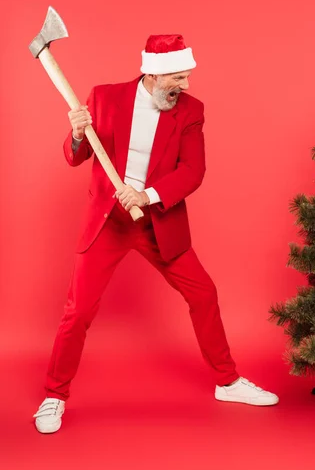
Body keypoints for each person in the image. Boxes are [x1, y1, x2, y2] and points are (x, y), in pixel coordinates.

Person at [33, 34, 279, 433]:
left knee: (204, 293)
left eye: (186, 77)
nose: (184, 86)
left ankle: (228, 382)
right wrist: (77, 133)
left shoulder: (191, 111)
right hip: (108, 221)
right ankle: (53, 396)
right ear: (152, 73)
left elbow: (192, 172)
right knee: (78, 310)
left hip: (157, 221)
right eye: (177, 78)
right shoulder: (104, 97)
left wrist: (145, 195)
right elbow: (76, 157)